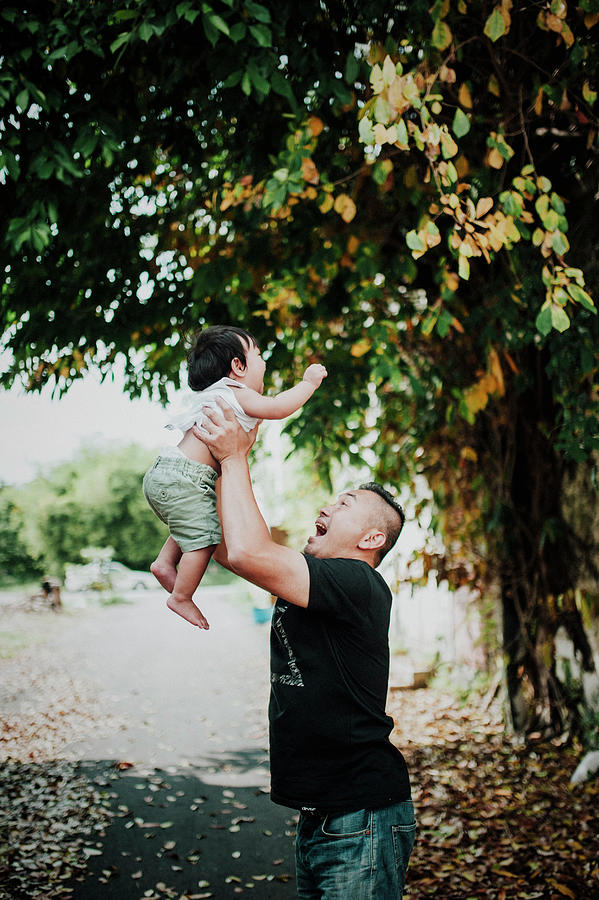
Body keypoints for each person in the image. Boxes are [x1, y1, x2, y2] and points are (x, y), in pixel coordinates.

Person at [194, 400, 416, 900]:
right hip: (325, 816)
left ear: (372, 536)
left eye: (345, 503)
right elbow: (226, 545)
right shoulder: (315, 580)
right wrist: (192, 473)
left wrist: (236, 457)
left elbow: (251, 551)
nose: (329, 506)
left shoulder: (359, 583)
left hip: (363, 817)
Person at [142, 325, 327, 629]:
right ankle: (182, 596)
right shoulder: (236, 394)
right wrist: (308, 383)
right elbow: (278, 407)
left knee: (196, 519)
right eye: (258, 355)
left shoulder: (213, 396)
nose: (264, 362)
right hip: (186, 477)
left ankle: (164, 562)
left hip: (169, 471)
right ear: (237, 366)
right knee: (205, 539)